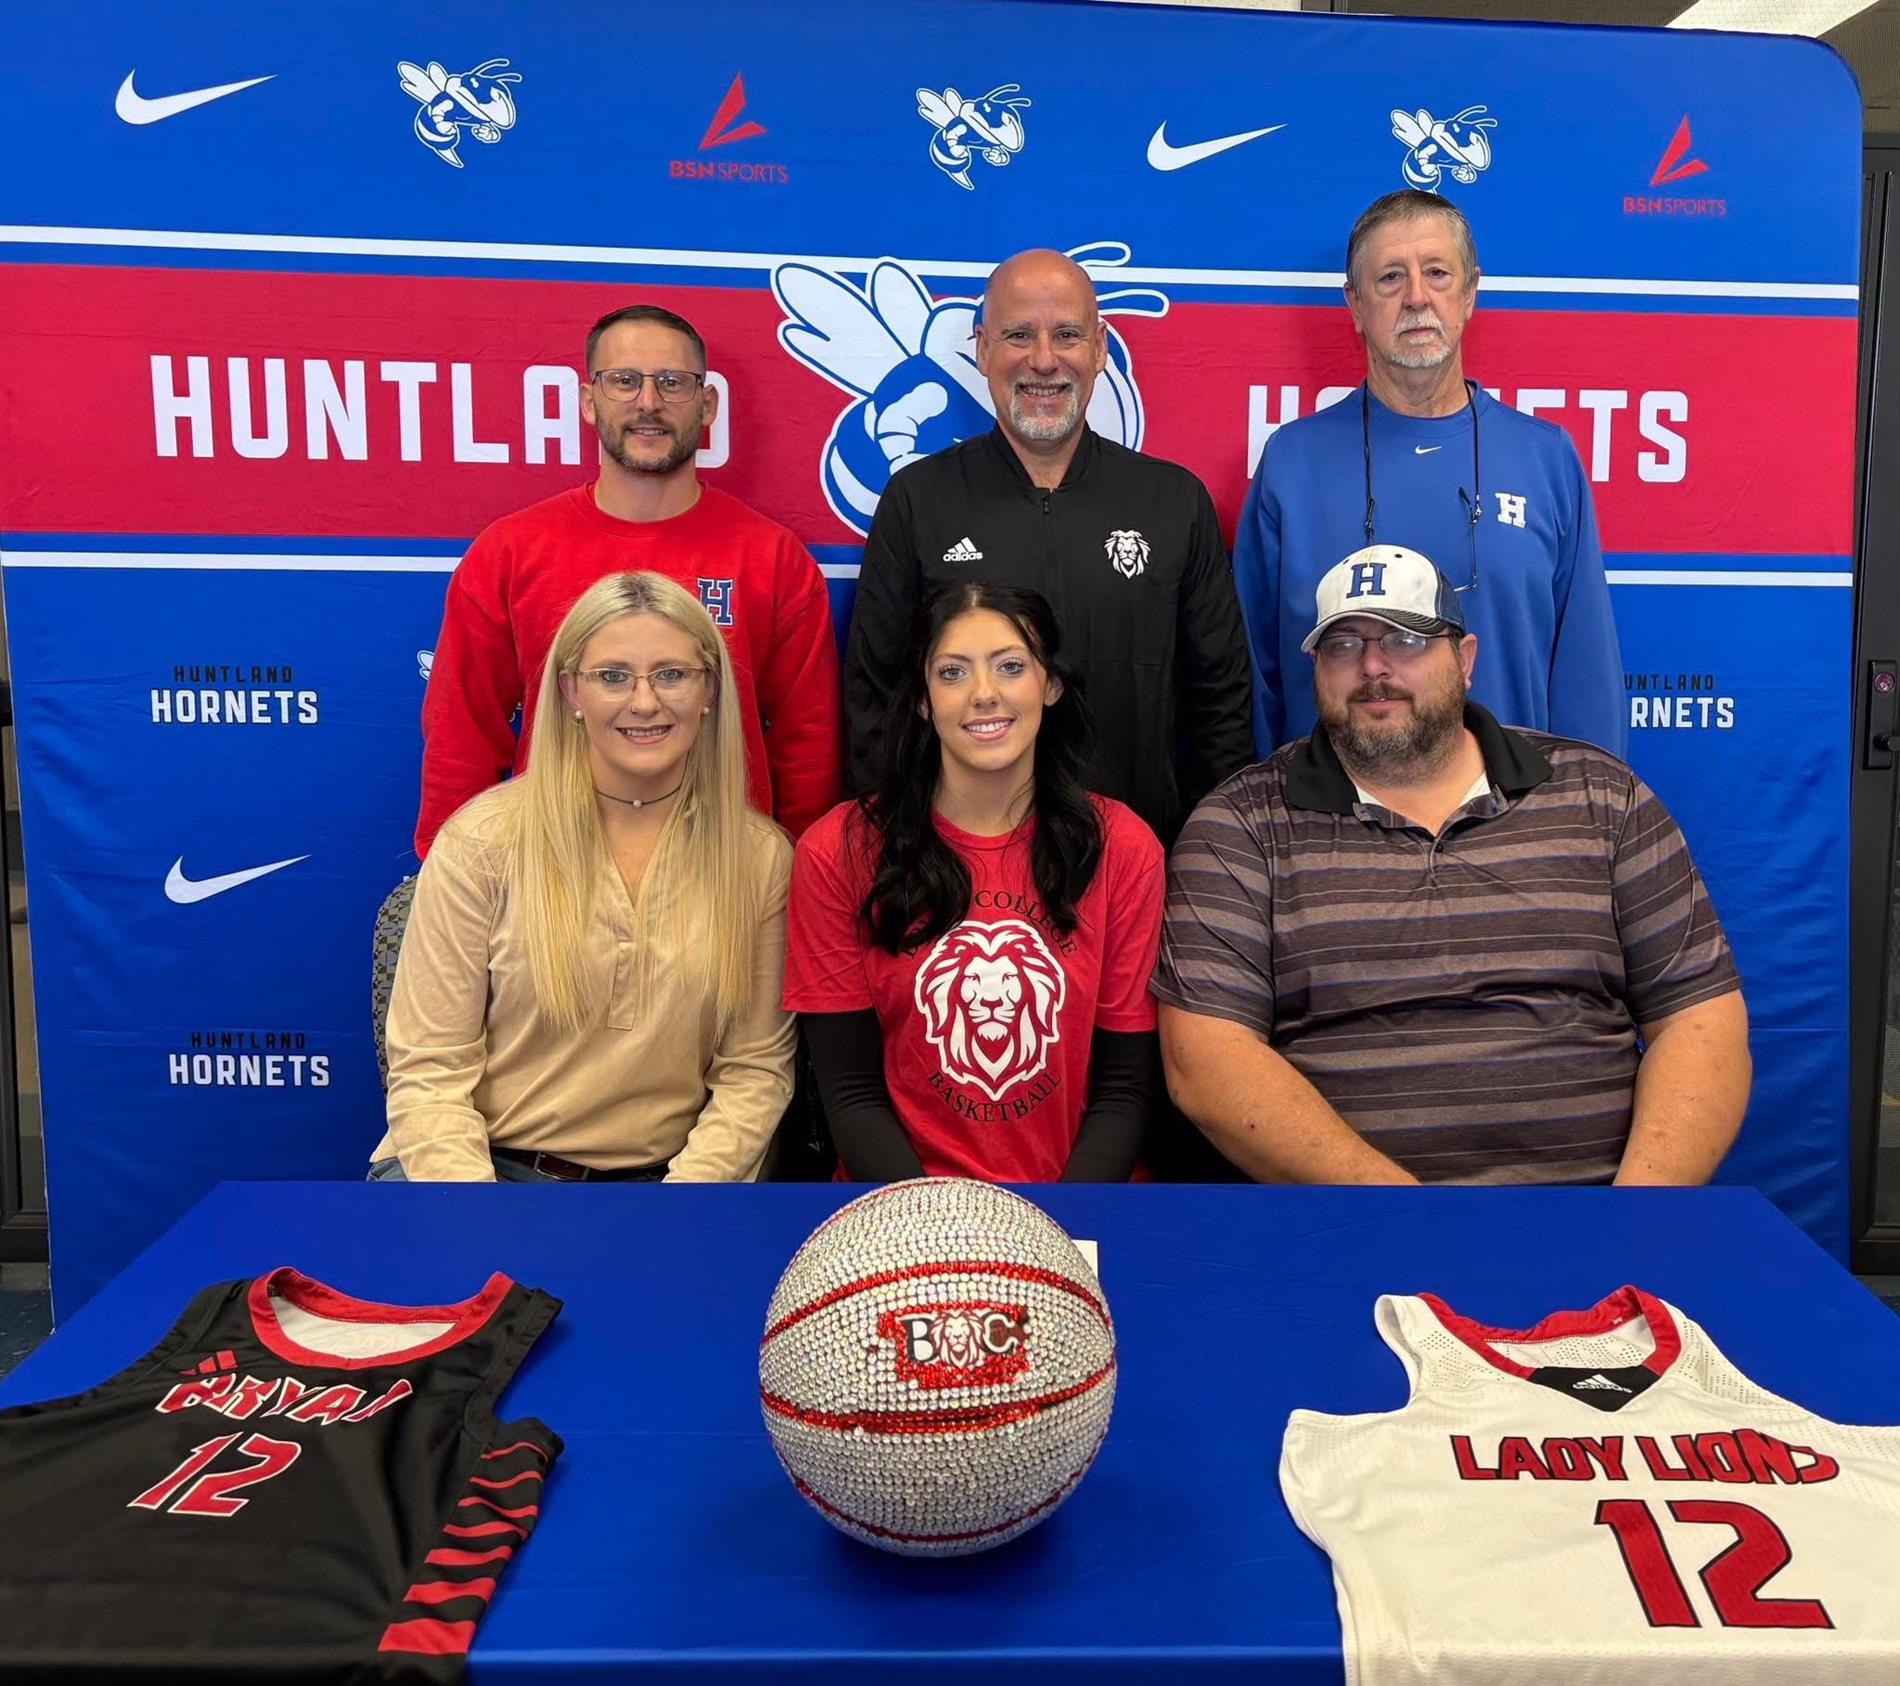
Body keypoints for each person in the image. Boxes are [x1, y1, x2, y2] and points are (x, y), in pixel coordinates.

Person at [1155, 545, 1747, 1186]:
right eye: (1344, 645)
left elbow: (1700, 1019)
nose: (1374, 667)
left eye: (1406, 639)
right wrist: (1409, 1214)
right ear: (1317, 669)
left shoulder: (1601, 795)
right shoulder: (1239, 824)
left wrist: (1638, 1216)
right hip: (1348, 1230)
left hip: (1595, 1213)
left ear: (1464, 660)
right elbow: (1206, 1061)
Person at [372, 571, 795, 1182]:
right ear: (571, 692)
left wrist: (679, 1210)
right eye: (613, 676)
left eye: (672, 674)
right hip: (479, 1169)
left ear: (710, 691)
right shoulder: (481, 842)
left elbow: (754, 1072)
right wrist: (475, 1219)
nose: (644, 702)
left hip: (664, 1185)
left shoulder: (759, 858)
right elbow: (430, 1069)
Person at [843, 248, 1254, 845]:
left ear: (1100, 349)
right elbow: (877, 698)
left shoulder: (1173, 503)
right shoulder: (917, 501)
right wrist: (896, 853)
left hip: (1139, 867)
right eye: (1018, 335)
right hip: (959, 874)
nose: (1043, 360)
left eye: (1067, 334)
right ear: (982, 350)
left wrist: (1212, 855)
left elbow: (1220, 705)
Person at [416, 304, 840, 857]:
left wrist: (804, 886)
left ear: (707, 405)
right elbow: (461, 733)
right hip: (554, 876)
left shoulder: (771, 557)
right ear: (589, 402)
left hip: (724, 878)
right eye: (623, 382)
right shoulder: (511, 553)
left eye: (672, 382)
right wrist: (446, 868)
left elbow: (807, 743)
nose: (648, 402)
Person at [786, 582, 1164, 1182]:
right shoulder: (838, 850)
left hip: (1079, 1211)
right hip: (901, 1211)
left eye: (1011, 667)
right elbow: (851, 1092)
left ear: (1052, 685)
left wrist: (1057, 1231)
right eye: (953, 672)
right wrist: (941, 1225)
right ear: (923, 700)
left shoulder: (1123, 847)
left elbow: (1123, 1088)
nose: (984, 694)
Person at [1233, 190, 1624, 757]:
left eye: (1437, 273)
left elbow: (1585, 673)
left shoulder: (1546, 457)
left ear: (1469, 294)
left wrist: (1587, 820)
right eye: (1390, 278)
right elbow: (1254, 675)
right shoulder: (1292, 463)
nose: (1416, 297)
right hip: (1330, 824)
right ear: (1355, 305)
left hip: (1512, 824)